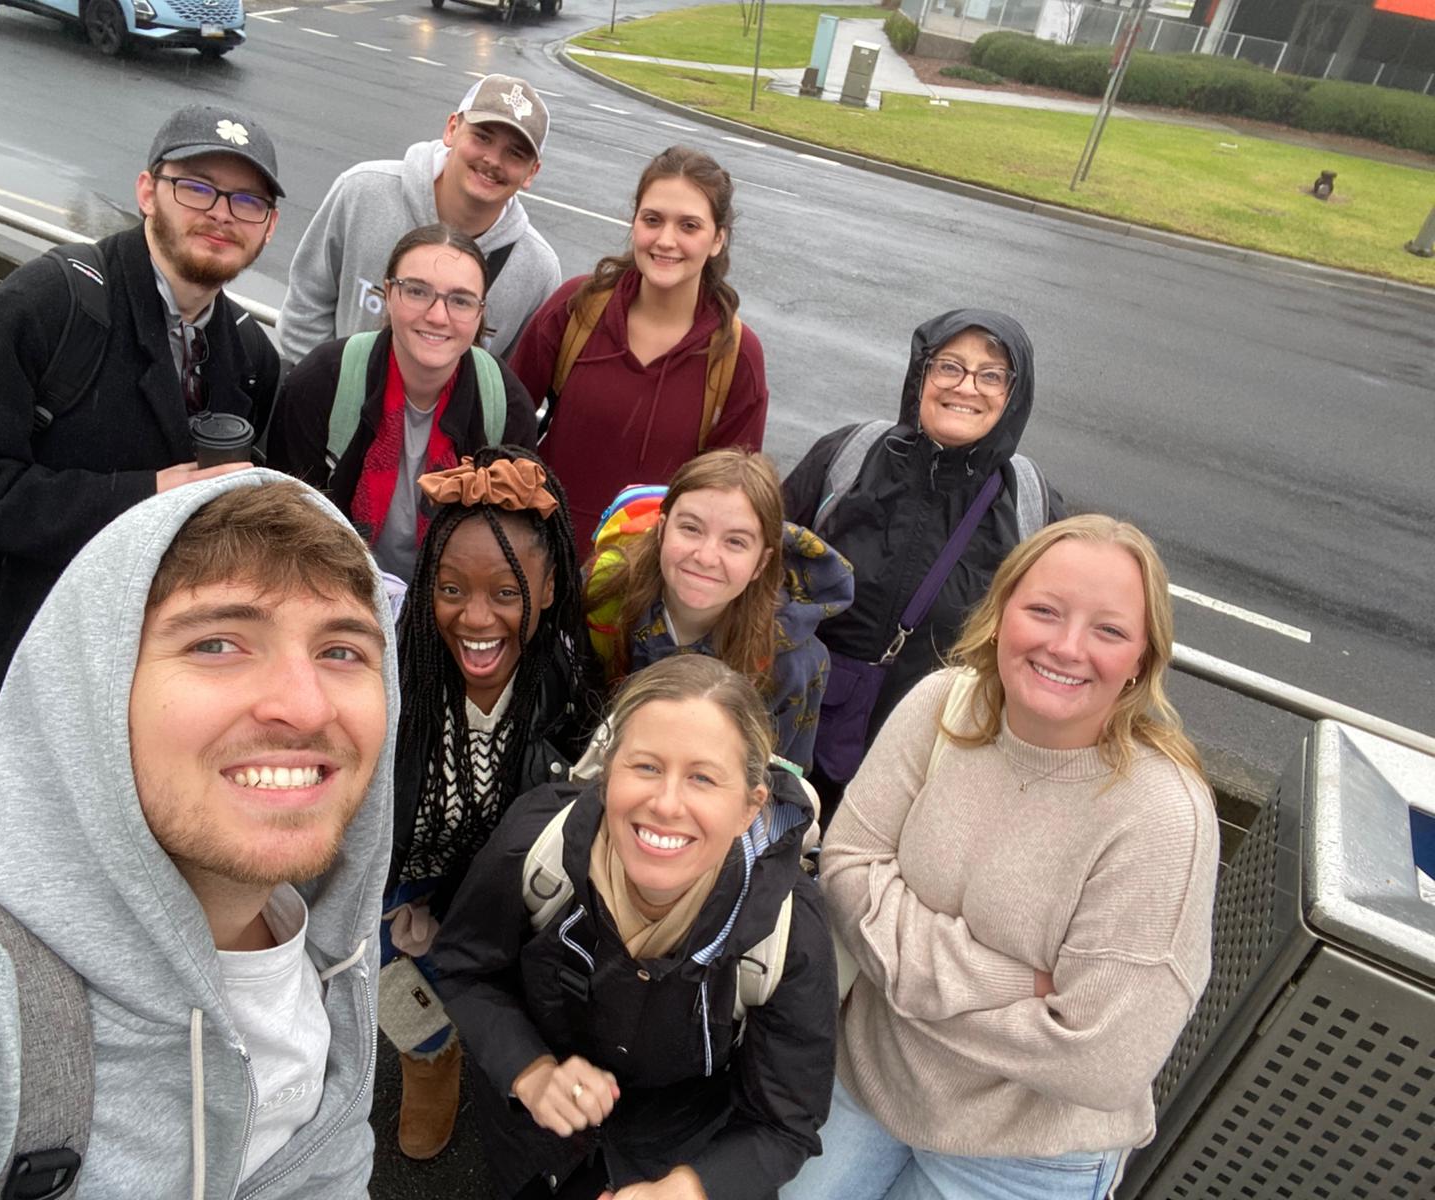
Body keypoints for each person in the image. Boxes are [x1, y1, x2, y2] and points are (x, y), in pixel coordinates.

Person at [0, 474, 401, 1197]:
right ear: (92, 690)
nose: (304, 704)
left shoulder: (331, 963)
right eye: (218, 643)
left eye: (342, 652)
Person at [783, 514, 1219, 1200]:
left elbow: (1103, 1061)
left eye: (1109, 630)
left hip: (1024, 1154)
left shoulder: (1163, 815)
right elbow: (846, 872)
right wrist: (1016, 981)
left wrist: (904, 982)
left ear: (1142, 657)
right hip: (868, 1082)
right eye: (1044, 610)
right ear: (1002, 612)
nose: (1068, 647)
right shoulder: (939, 707)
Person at [0, 104, 285, 823]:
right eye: (195, 186)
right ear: (146, 190)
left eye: (247, 200)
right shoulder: (51, 305)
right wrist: (140, 498)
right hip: (32, 662)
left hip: (160, 688)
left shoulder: (249, 354)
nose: (221, 213)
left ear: (269, 226)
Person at [431, 654, 836, 1200]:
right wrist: (529, 1071)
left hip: (676, 1155)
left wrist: (690, 1189)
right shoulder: (536, 849)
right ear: (607, 773)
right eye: (645, 767)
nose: (666, 804)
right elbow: (465, 969)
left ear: (749, 807)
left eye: (702, 778)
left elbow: (783, 1123)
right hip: (533, 1142)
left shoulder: (785, 928)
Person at [380, 445, 595, 1160]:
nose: (476, 619)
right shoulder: (392, 686)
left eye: (507, 594)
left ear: (551, 584)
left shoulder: (566, 692)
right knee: (390, 983)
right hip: (404, 873)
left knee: (502, 996)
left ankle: (487, 1046)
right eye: (451, 589)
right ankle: (429, 1054)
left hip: (508, 892)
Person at [781, 308, 1060, 809]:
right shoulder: (847, 457)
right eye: (949, 366)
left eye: (991, 375)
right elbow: (759, 565)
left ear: (1014, 395)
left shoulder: (1030, 507)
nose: (966, 386)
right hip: (797, 739)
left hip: (935, 764)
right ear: (921, 375)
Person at [509, 147, 768, 559]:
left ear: (717, 238)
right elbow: (508, 427)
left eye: (689, 226)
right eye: (652, 220)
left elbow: (725, 501)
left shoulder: (736, 355)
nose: (666, 240)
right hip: (539, 561)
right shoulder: (576, 307)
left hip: (647, 586)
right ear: (634, 223)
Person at [267, 224, 540, 583]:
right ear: (388, 294)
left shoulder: (506, 406)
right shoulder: (322, 383)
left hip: (445, 606)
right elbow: (284, 525)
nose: (437, 316)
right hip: (332, 586)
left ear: (480, 314)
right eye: (416, 291)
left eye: (460, 300)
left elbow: (508, 544)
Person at [584, 450, 851, 774]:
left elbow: (777, 786)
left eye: (735, 542)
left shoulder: (792, 663)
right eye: (691, 529)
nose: (707, 557)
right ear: (662, 530)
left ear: (762, 563)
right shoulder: (609, 594)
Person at [278, 74, 560, 364]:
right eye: (482, 137)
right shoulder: (361, 190)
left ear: (531, 172)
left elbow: (507, 378)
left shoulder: (538, 271)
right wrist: (327, 392)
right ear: (452, 129)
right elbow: (306, 301)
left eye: (515, 153)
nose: (493, 160)